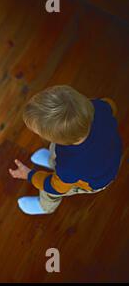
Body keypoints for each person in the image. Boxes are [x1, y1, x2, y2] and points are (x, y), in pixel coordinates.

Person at [9, 85, 122, 215]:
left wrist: (29, 175)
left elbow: (55, 187)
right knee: (56, 152)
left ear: (59, 139)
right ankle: (52, 163)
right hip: (108, 157)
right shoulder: (98, 107)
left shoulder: (69, 167)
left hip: (94, 181)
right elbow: (111, 105)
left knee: (49, 189)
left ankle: (45, 206)